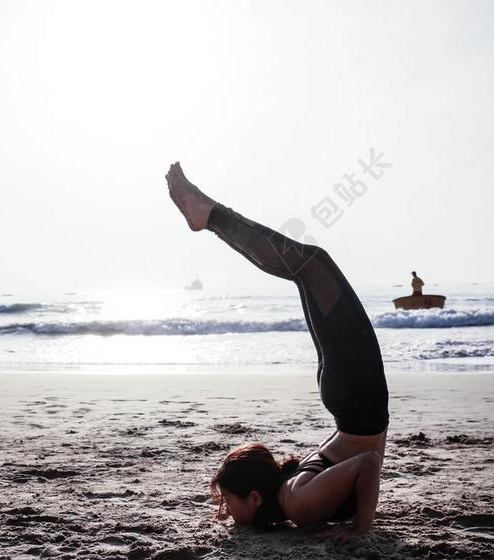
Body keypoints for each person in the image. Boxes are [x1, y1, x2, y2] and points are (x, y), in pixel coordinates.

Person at [165, 162, 388, 536]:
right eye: (227, 502)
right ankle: (211, 216)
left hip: (357, 402)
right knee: (310, 266)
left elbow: (366, 461)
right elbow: (364, 462)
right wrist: (360, 530)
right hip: (356, 401)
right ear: (256, 498)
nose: (225, 511)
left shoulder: (298, 500)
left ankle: (210, 217)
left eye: (226, 502)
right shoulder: (298, 503)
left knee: (311, 266)